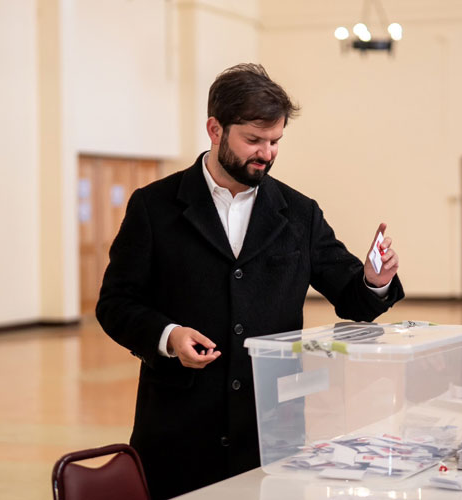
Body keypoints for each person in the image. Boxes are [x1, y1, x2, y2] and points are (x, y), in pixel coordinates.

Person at [96, 63, 404, 499]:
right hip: (179, 429)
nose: (267, 153)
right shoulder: (153, 207)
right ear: (215, 129)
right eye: (254, 140)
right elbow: (115, 303)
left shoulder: (300, 213)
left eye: (276, 141)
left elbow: (353, 298)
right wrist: (169, 335)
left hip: (271, 429)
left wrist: (374, 279)